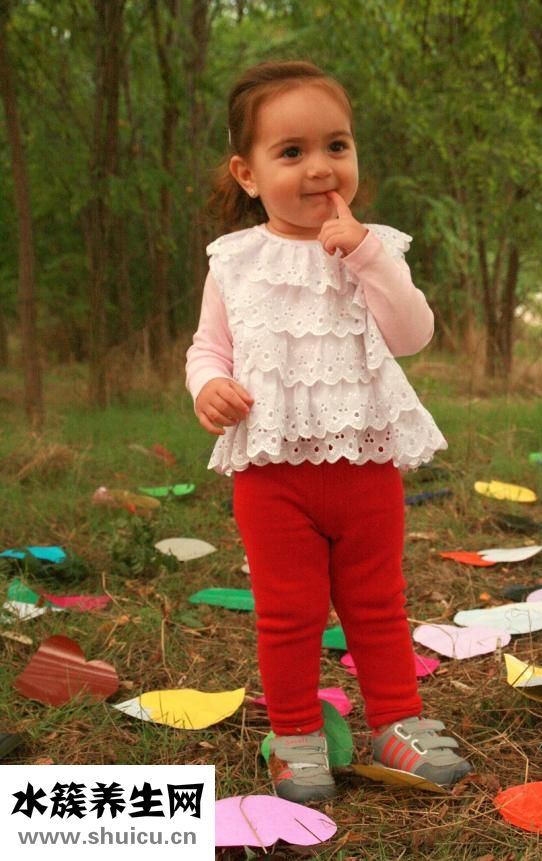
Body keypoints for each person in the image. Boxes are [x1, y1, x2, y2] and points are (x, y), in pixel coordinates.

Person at [186, 60, 471, 803]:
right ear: (248, 174)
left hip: (365, 464)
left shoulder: (374, 248)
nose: (320, 167)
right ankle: (295, 734)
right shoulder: (236, 262)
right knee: (290, 612)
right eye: (292, 152)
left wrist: (366, 255)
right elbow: (208, 346)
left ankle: (397, 722)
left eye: (336, 146)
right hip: (272, 473)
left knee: (378, 602)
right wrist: (207, 385)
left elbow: (412, 335)